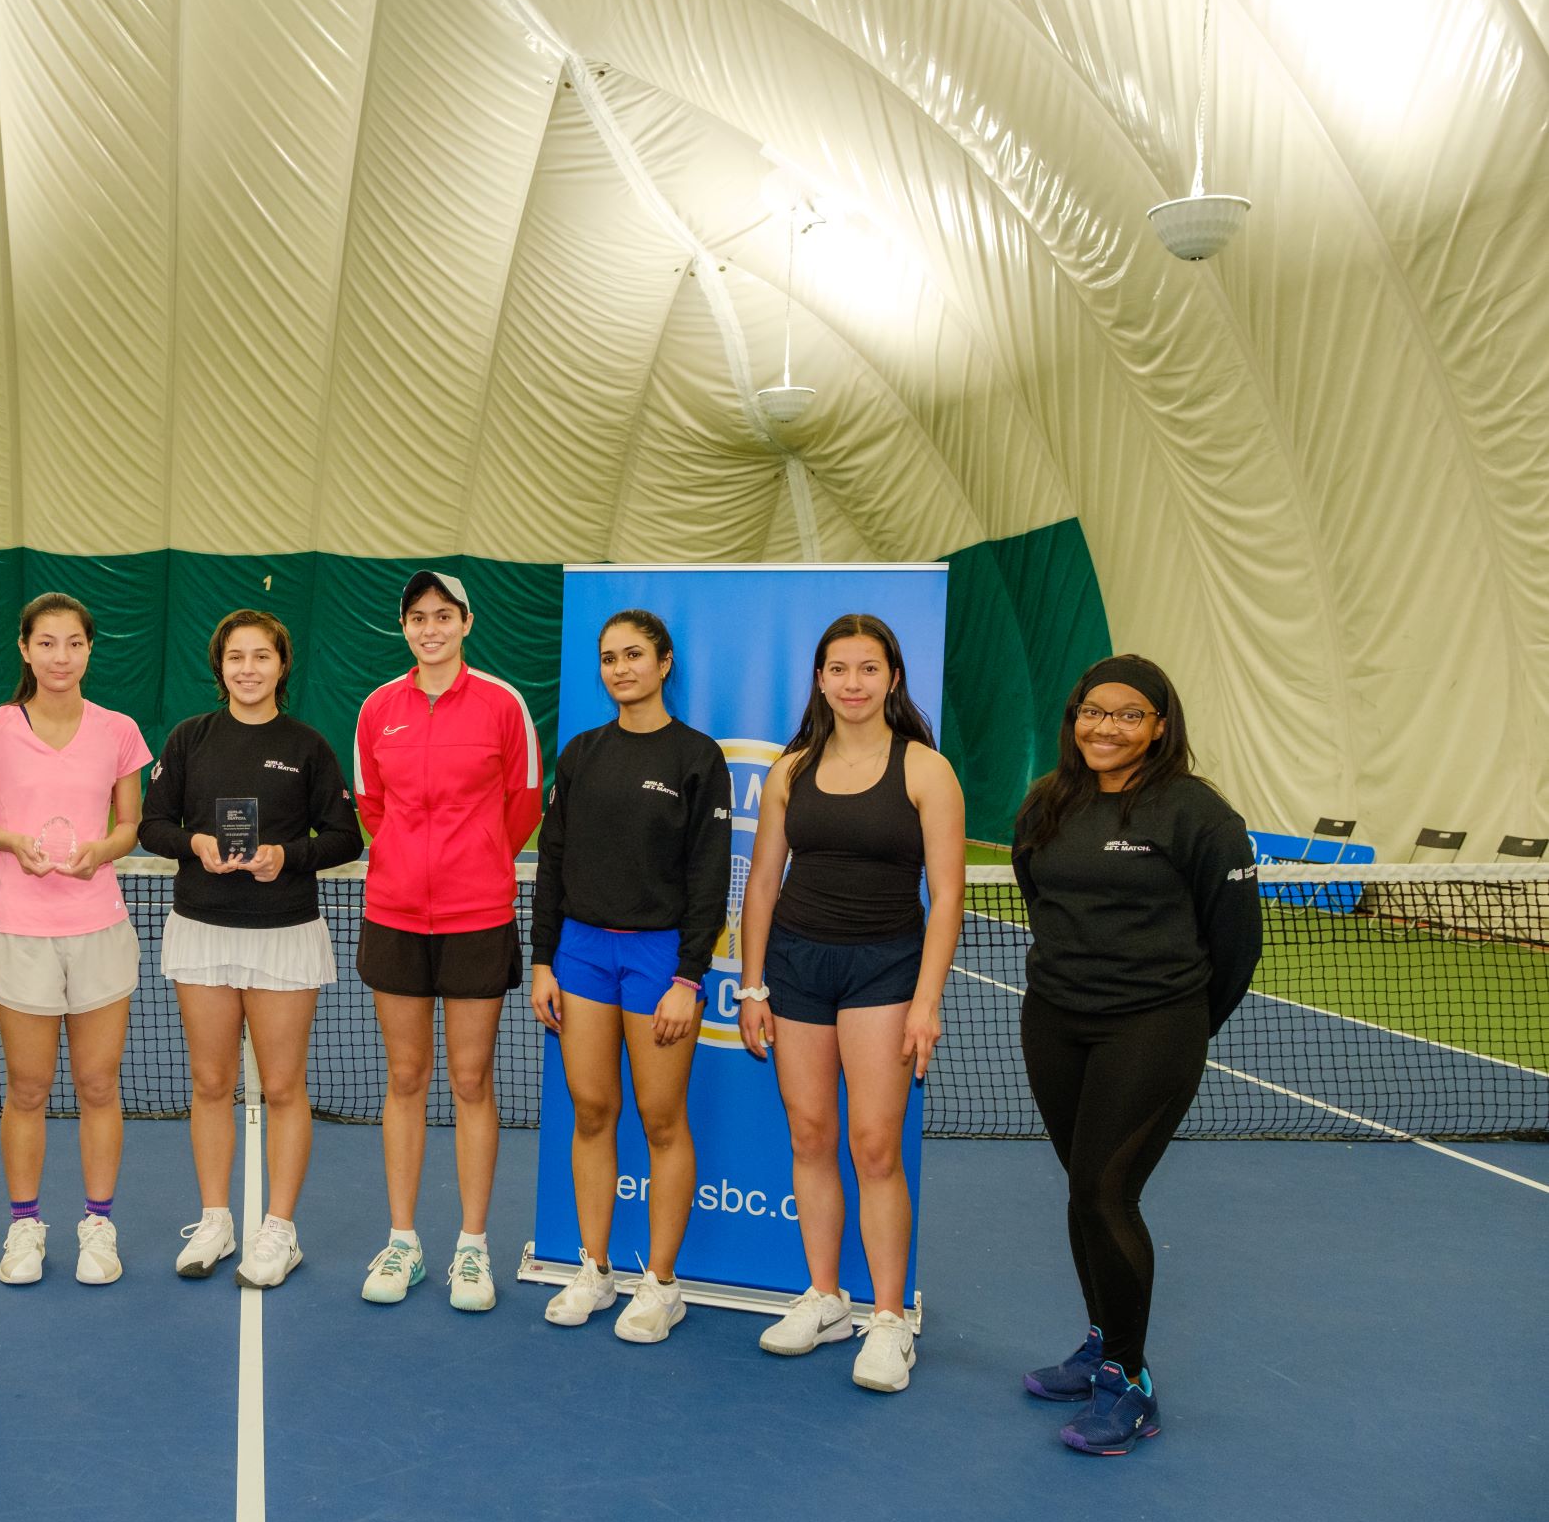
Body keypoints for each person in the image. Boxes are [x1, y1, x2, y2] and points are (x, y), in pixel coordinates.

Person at [1010, 654, 1260, 1455]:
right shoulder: (1048, 804)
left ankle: (1130, 1381)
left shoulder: (1198, 815)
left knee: (1108, 1194)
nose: (1105, 727)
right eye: (1092, 710)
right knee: (1084, 1191)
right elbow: (1037, 897)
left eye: (1127, 714)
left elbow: (1236, 944)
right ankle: (1100, 1342)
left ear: (1159, 725)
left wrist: (1177, 1028)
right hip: (1054, 1021)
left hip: (1152, 1027)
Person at [736, 613, 965, 1393]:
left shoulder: (927, 771)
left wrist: (926, 1000)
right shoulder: (792, 771)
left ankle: (889, 1319)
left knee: (873, 1144)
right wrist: (753, 983)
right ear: (821, 680)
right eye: (839, 669)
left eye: (869, 669)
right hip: (797, 969)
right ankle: (826, 1297)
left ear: (892, 678)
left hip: (885, 972)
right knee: (809, 1133)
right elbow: (763, 883)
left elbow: (949, 897)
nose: (853, 683)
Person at [141, 610, 362, 1289]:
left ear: (281, 665)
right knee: (210, 1083)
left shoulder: (308, 747)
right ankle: (216, 1218)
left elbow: (345, 838)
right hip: (202, 929)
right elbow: (153, 824)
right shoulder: (189, 739)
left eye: (261, 656)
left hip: (284, 934)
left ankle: (279, 1230)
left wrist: (284, 857)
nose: (248, 669)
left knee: (284, 1086)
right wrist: (195, 844)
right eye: (235, 657)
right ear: (220, 667)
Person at [529, 610, 731, 1343]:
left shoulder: (697, 758)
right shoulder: (580, 753)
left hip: (658, 958)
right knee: (590, 1109)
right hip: (580, 953)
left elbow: (709, 877)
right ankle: (593, 1267)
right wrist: (543, 959)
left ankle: (663, 1284)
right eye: (609, 657)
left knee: (661, 1117)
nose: (620, 669)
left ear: (665, 662)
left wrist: (688, 977)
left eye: (635, 655)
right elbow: (553, 860)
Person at [0, 593, 152, 1286]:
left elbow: (131, 825)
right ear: (25, 649)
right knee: (28, 1088)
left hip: (99, 929)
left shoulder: (119, 730)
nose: (61, 656)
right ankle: (24, 1227)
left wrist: (103, 850)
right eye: (47, 643)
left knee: (98, 1083)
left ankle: (99, 1225)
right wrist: (9, 840)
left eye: (74, 643)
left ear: (90, 650)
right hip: (22, 931)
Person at [353, 570, 543, 1311]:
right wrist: (408, 859)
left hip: (477, 916)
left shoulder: (503, 704)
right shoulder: (378, 709)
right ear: (405, 628)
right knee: (404, 1078)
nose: (429, 628)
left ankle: (471, 1247)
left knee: (470, 1080)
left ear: (466, 622)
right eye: (417, 618)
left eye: (442, 616)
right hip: (395, 913)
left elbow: (523, 802)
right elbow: (373, 805)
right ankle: (403, 1241)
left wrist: (475, 863)